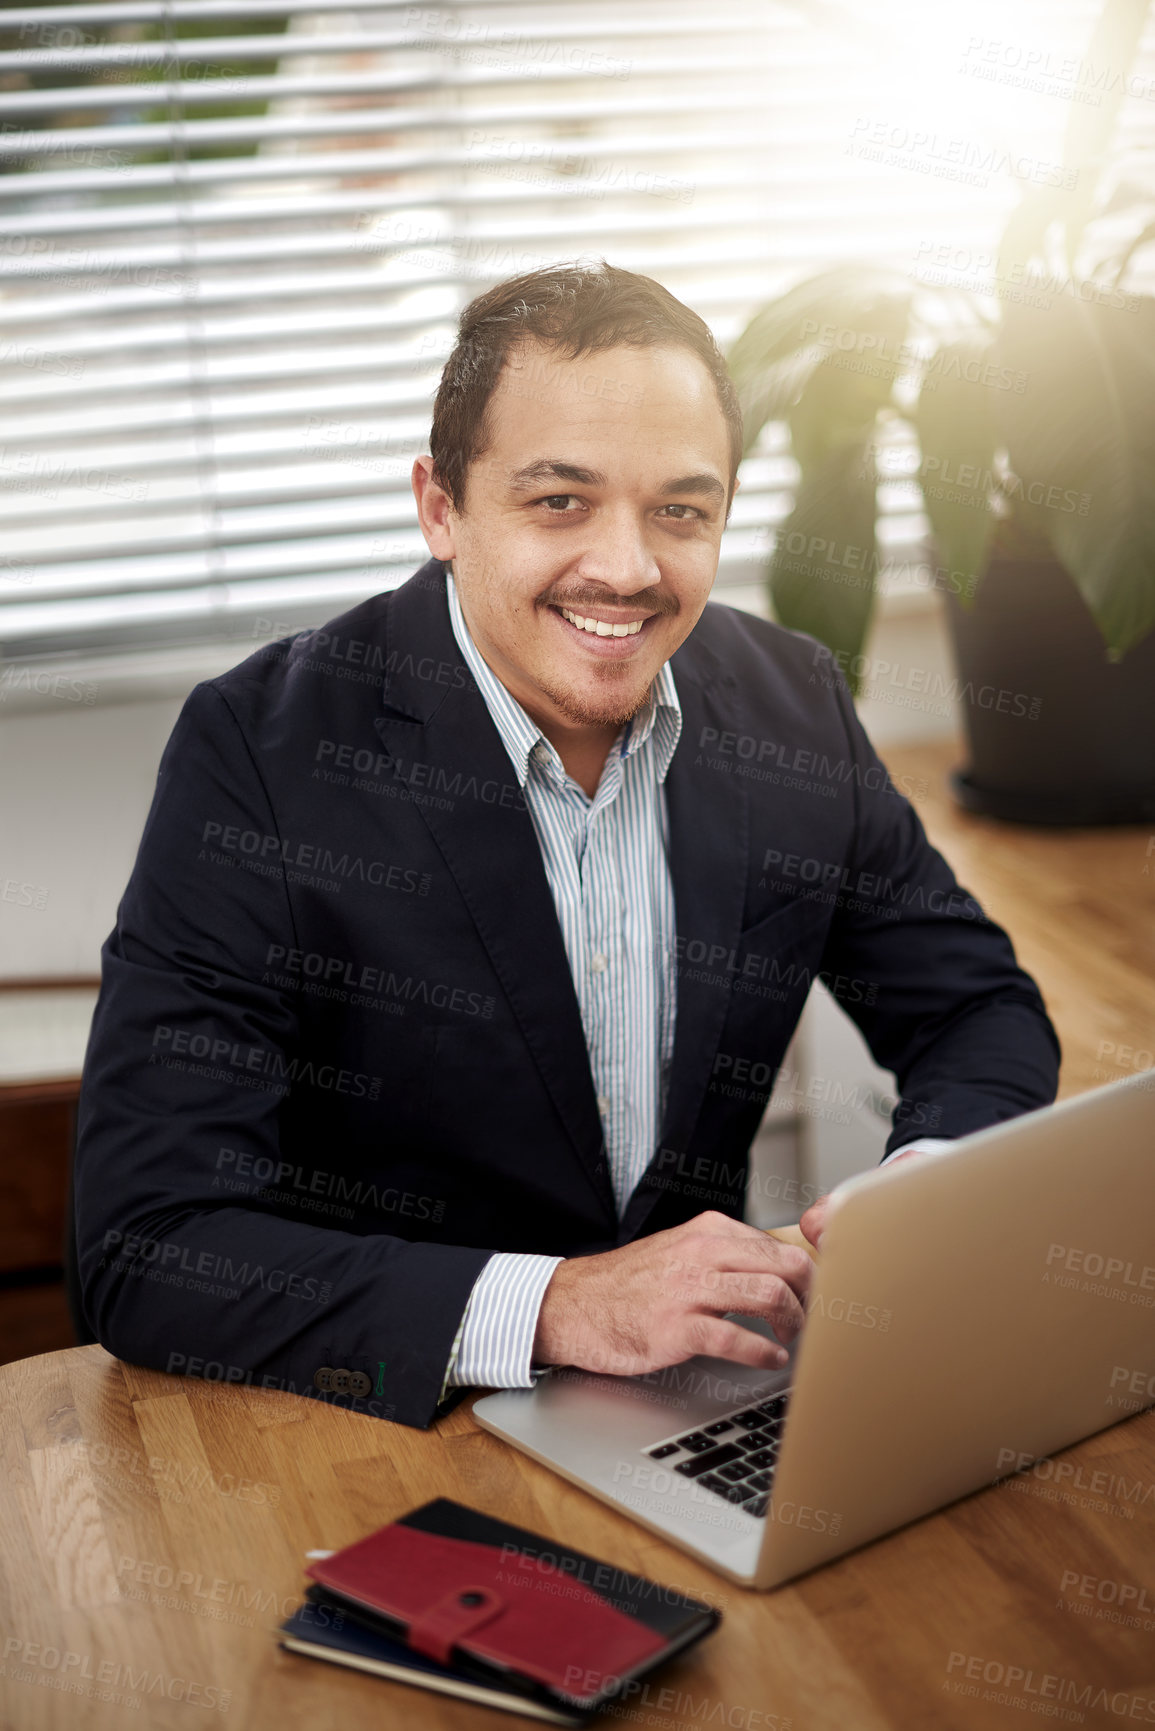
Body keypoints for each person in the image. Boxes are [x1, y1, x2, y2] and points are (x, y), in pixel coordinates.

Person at [73, 261, 1060, 1430]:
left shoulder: (788, 702)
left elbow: (976, 1009)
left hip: (701, 1410)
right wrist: (558, 1305)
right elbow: (149, 1248)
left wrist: (921, 1190)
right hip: (376, 1442)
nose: (629, 569)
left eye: (680, 510)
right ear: (442, 506)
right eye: (560, 502)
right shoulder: (262, 753)